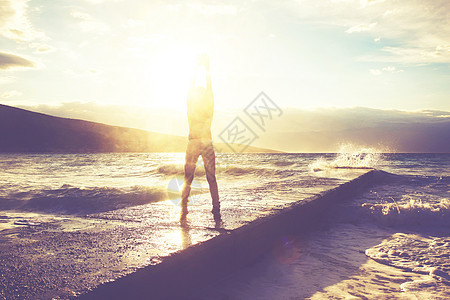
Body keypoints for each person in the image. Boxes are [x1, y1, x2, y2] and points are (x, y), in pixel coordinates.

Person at [181, 54, 220, 219]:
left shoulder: (191, 107)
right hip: (206, 143)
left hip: (194, 143)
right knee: (211, 177)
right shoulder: (208, 107)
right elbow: (209, 87)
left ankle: (184, 207)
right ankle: (216, 207)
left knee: (188, 176)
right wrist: (207, 68)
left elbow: (191, 87)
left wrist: (196, 68)